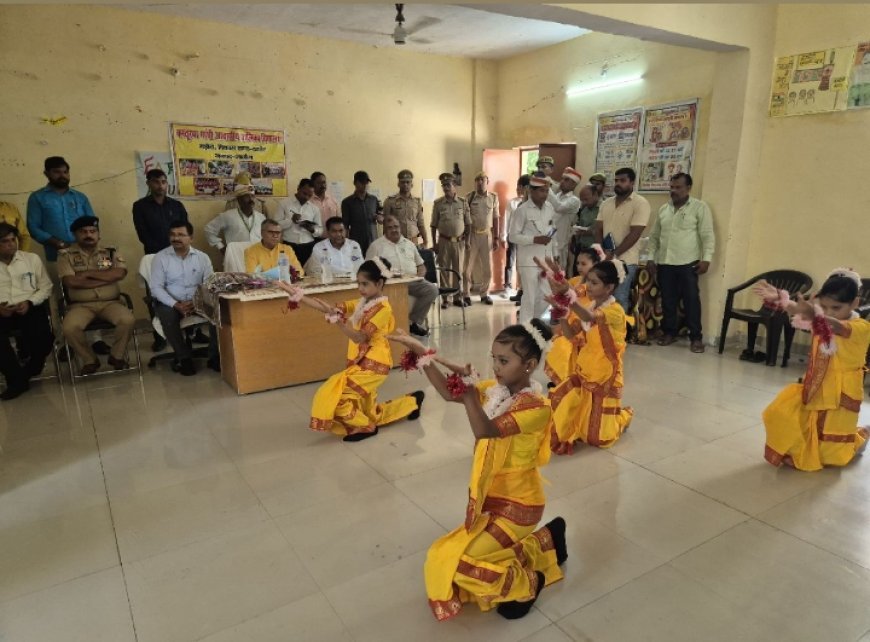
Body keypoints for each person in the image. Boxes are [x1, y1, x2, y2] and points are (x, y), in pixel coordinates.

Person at [389, 319, 566, 621]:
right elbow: (447, 393)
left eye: (504, 360)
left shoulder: (536, 407)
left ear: (530, 364)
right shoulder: (496, 392)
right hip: (490, 501)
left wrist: (471, 395)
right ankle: (548, 540)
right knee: (447, 559)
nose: (495, 367)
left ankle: (530, 583)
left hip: (520, 506)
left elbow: (485, 430)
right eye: (494, 358)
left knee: (463, 564)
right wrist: (422, 354)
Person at [276, 258, 423, 442]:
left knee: (338, 398)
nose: (360, 288)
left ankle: (366, 427)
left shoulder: (383, 309)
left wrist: (339, 322)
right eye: (358, 283)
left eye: (365, 284)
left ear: (379, 283)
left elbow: (360, 337)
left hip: (374, 365)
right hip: (362, 361)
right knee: (370, 411)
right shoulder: (363, 302)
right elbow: (330, 308)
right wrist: (296, 294)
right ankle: (412, 402)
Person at [755, 270, 870, 471]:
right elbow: (800, 312)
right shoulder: (820, 318)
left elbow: (834, 326)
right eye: (824, 307)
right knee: (783, 413)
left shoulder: (860, 327)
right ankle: (806, 451)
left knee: (832, 447)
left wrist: (814, 314)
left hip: (842, 390)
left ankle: (858, 440)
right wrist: (781, 298)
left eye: (836, 307)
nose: (829, 312)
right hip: (817, 383)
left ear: (855, 303)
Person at [547, 259, 634, 453]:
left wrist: (568, 298)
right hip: (586, 368)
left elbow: (590, 318)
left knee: (600, 439)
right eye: (589, 281)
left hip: (607, 374)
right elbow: (570, 335)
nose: (588, 286)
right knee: (579, 430)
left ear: (609, 287)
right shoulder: (591, 305)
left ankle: (624, 416)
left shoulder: (614, 311)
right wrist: (561, 313)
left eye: (594, 283)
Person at [646, 173, 715, 354]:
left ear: (688, 188)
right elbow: (654, 237)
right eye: (672, 187)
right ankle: (670, 332)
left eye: (678, 187)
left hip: (688, 262)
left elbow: (707, 235)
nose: (674, 191)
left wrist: (706, 259)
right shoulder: (664, 209)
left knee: (691, 300)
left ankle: (696, 338)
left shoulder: (699, 208)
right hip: (665, 262)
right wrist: (650, 257)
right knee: (668, 300)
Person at [58, 216, 135, 374]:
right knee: (69, 328)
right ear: (75, 235)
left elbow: (119, 273)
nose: (88, 234)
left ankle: (117, 355)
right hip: (80, 306)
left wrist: (87, 274)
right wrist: (104, 277)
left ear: (98, 234)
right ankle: (89, 360)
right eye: (83, 232)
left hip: (111, 303)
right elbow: (71, 282)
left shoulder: (110, 251)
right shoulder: (66, 255)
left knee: (127, 320)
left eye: (92, 231)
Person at [150, 220, 219, 376]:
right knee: (167, 316)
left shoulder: (202, 258)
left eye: (181, 235)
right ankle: (184, 358)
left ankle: (215, 356)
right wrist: (176, 304)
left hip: (197, 300)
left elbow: (209, 284)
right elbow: (156, 288)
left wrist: (197, 301)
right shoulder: (160, 258)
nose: (176, 238)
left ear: (191, 238)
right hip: (170, 302)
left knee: (217, 311)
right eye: (173, 235)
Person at [0, 222, 53, 400]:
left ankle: (31, 368)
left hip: (28, 306)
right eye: (5, 241)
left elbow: (46, 287)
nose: (11, 244)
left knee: (45, 337)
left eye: (13, 239)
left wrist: (30, 302)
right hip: (2, 310)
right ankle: (17, 380)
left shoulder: (31, 259)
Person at [366, 215, 438, 337]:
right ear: (384, 230)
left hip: (412, 281)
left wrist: (420, 275)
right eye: (390, 228)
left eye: (396, 227)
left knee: (432, 289)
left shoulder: (409, 244)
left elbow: (421, 265)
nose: (394, 230)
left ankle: (411, 323)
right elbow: (367, 268)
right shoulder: (376, 246)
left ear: (400, 227)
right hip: (388, 283)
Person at [542, 247, 601, 388]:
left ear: (595, 264)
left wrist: (558, 274)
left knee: (567, 348)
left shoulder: (595, 284)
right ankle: (562, 380)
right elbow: (560, 291)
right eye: (578, 263)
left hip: (586, 325)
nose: (579, 267)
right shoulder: (576, 280)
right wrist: (551, 274)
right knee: (557, 346)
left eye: (584, 264)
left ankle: (571, 381)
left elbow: (571, 292)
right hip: (570, 321)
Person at [594, 167, 650, 315]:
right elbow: (598, 229)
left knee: (619, 297)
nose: (618, 183)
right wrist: (602, 252)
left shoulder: (640, 203)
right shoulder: (606, 203)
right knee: (603, 297)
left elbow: (635, 233)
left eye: (623, 180)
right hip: (605, 258)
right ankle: (604, 333)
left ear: (632, 182)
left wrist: (614, 253)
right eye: (616, 180)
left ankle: (619, 335)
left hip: (626, 260)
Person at [27, 156, 95, 267]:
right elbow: (33, 227)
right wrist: (59, 243)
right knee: (65, 283)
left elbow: (92, 223)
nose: (62, 175)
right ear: (46, 173)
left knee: (92, 280)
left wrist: (87, 241)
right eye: (57, 172)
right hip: (56, 254)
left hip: (85, 252)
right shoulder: (37, 198)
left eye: (65, 172)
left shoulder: (80, 197)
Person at [509, 173, 556, 324]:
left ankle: (531, 322)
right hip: (528, 260)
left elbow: (552, 229)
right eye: (541, 191)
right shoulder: (522, 211)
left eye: (547, 191)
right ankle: (525, 329)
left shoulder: (549, 208)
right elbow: (513, 236)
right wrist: (534, 239)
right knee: (529, 296)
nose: (545, 194)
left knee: (548, 295)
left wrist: (554, 256)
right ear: (532, 191)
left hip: (546, 260)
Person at [431, 173, 471, 309]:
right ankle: (445, 299)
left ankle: (457, 297)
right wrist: (434, 244)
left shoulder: (463, 202)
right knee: (444, 270)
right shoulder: (438, 204)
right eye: (443, 186)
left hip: (459, 242)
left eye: (448, 185)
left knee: (458, 270)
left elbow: (468, 223)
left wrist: (468, 240)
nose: (445, 188)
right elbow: (433, 225)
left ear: (454, 187)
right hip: (444, 241)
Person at [132, 168, 189, 255]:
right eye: (156, 182)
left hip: (177, 252)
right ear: (148, 183)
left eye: (163, 182)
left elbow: (185, 229)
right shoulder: (140, 206)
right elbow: (142, 233)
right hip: (154, 254)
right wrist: (161, 252)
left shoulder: (177, 206)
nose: (160, 186)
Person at [463, 172, 498, 305]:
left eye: (482, 180)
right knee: (467, 268)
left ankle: (484, 293)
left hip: (486, 235)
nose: (480, 182)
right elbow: (465, 219)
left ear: (487, 182)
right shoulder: (469, 197)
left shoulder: (493, 198)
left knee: (487, 268)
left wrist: (496, 237)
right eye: (477, 180)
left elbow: (496, 218)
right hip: (471, 235)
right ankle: (466, 294)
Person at [204, 185, 265, 256]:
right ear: (239, 200)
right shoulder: (228, 215)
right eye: (247, 196)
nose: (251, 200)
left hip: (257, 257)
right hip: (235, 256)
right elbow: (208, 229)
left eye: (252, 196)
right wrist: (220, 246)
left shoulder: (261, 217)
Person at [275, 178, 321, 265]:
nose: (306, 197)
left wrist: (311, 229)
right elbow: (276, 226)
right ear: (298, 188)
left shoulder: (314, 208)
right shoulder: (283, 204)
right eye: (304, 193)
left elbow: (319, 232)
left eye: (309, 195)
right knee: (288, 272)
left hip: (308, 246)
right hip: (288, 245)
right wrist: (290, 220)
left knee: (306, 273)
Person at [546, 167, 582, 271]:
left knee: (558, 274)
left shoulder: (574, 200)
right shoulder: (557, 195)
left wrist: (548, 188)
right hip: (549, 238)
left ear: (574, 184)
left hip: (560, 242)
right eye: (562, 179)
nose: (562, 182)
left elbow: (559, 207)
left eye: (566, 180)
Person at [382, 169, 428, 247]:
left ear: (411, 184)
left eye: (408, 182)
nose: (405, 184)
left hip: (413, 241)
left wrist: (425, 241)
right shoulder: (390, 201)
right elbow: (386, 224)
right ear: (398, 184)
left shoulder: (416, 202)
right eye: (403, 182)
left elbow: (421, 223)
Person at [341, 170, 381, 256]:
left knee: (373, 263)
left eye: (367, 182)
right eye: (362, 182)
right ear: (355, 183)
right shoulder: (347, 202)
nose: (365, 185)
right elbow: (345, 225)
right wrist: (345, 243)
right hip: (356, 240)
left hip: (372, 239)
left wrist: (380, 218)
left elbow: (381, 216)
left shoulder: (374, 199)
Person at [503, 175, 528, 296]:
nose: (518, 190)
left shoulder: (529, 203)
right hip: (513, 236)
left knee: (522, 263)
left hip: (524, 238)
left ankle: (521, 288)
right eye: (517, 187)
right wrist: (504, 236)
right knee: (510, 261)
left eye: (521, 187)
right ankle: (507, 286)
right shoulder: (512, 203)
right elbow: (506, 220)